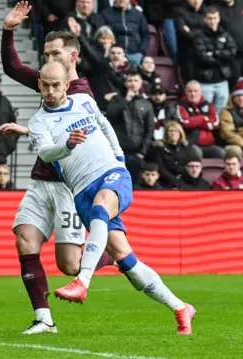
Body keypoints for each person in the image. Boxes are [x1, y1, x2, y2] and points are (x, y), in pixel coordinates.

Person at [30, 62, 195, 335]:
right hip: (81, 190)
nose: (50, 90)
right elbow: (47, 153)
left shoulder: (83, 100)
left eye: (56, 84)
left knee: (100, 209)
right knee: (127, 261)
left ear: (65, 84)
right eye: (45, 84)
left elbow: (104, 125)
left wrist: (119, 158)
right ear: (39, 84)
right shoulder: (38, 121)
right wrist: (67, 145)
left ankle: (83, 281)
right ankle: (180, 307)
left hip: (110, 173)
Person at [0, 1, 112, 335]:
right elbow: (12, 68)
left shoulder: (79, 94)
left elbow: (76, 133)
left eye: (54, 55)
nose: (48, 61)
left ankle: (105, 252)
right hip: (40, 180)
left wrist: (31, 131)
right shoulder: (51, 84)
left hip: (68, 187)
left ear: (72, 57)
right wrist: (8, 31)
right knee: (25, 240)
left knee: (69, 266)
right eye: (46, 54)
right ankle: (43, 318)